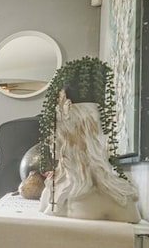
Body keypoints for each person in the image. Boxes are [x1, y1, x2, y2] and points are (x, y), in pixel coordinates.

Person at [39, 92, 141, 223]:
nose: (49, 141)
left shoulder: (117, 200)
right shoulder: (50, 189)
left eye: (57, 133)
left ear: (80, 137)